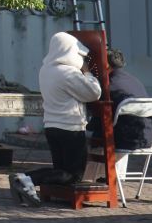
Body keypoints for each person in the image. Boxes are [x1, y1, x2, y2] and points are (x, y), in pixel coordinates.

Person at [8, 32, 102, 205]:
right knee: (73, 175)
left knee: (60, 171)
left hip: (52, 127)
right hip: (70, 128)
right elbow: (94, 93)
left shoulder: (46, 69)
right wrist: (88, 72)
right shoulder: (68, 73)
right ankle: (26, 178)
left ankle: (27, 182)